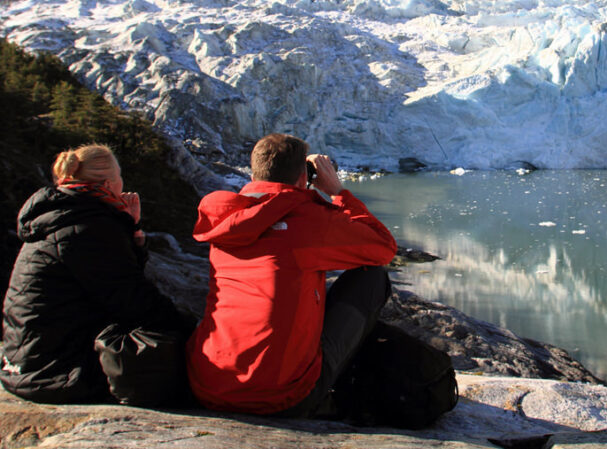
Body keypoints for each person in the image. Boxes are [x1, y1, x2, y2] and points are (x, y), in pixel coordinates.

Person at [186, 133, 397, 417]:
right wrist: (337, 192)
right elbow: (383, 247)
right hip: (282, 396)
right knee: (371, 277)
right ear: (303, 177)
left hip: (209, 386)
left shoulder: (227, 219)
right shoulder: (310, 221)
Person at [0, 144, 191, 403]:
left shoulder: (63, 214)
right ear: (109, 183)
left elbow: (113, 280)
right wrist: (193, 331)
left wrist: (130, 232)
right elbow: (135, 301)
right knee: (172, 348)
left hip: (27, 361)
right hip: (56, 371)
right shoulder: (88, 228)